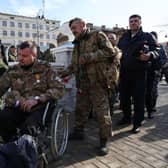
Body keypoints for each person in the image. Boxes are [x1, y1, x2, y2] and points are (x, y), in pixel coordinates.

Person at [61, 17, 118, 156]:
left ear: (83, 25)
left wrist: (90, 56)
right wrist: (64, 73)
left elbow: (111, 52)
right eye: (71, 29)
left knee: (102, 114)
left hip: (98, 82)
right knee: (81, 109)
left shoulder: (97, 35)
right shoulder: (77, 43)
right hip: (83, 83)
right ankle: (78, 132)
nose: (73, 31)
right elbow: (75, 64)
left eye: (74, 28)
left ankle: (104, 141)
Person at [0, 40, 65, 142]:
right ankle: (12, 146)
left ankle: (25, 150)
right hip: (18, 106)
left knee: (28, 128)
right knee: (3, 118)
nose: (20, 58)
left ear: (34, 55)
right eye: (19, 55)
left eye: (24, 56)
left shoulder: (45, 68)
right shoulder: (13, 70)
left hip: (39, 108)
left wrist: (38, 99)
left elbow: (59, 88)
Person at [118, 14, 159, 133]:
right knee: (124, 97)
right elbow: (117, 50)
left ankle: (137, 122)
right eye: (131, 21)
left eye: (136, 21)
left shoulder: (147, 36)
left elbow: (157, 50)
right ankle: (126, 118)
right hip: (124, 72)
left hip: (140, 72)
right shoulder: (124, 37)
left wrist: (150, 55)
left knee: (138, 99)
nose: (133, 23)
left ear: (140, 23)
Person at [145, 31, 167, 118]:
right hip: (145, 72)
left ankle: (151, 108)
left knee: (152, 91)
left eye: (153, 37)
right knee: (145, 92)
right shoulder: (145, 46)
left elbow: (164, 59)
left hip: (155, 72)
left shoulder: (160, 47)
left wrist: (158, 67)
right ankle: (146, 106)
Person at [107, 33, 122, 116]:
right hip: (103, 77)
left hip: (113, 78)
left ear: (115, 40)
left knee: (112, 96)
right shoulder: (102, 49)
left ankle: (111, 110)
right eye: (108, 38)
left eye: (112, 38)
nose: (109, 40)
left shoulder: (118, 51)